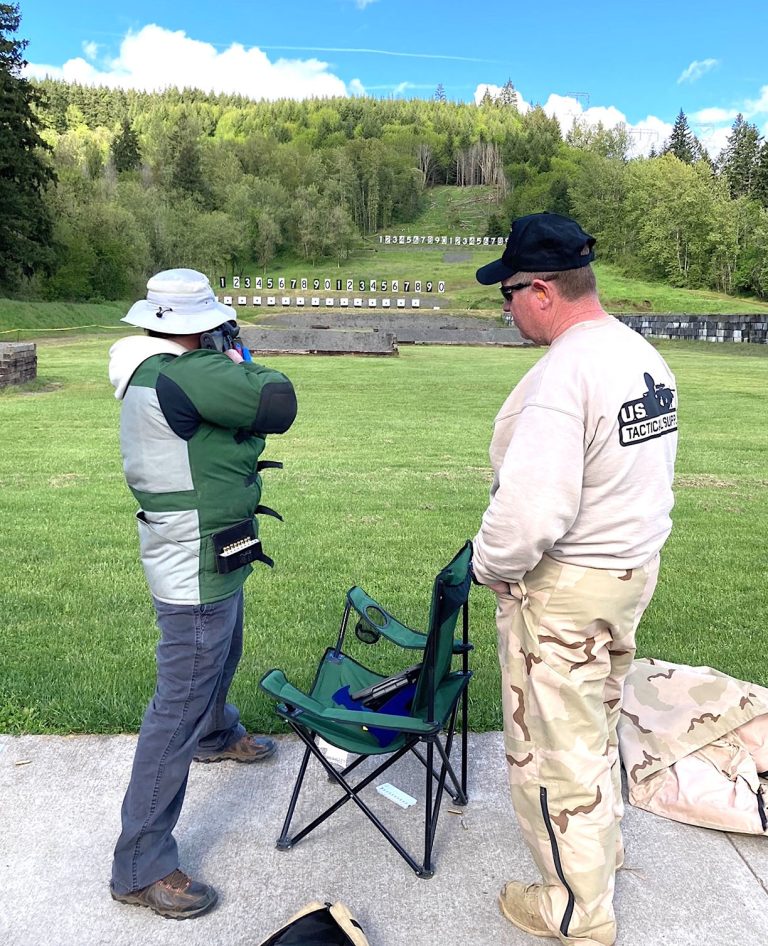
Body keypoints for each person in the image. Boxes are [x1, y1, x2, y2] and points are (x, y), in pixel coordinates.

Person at [471, 214, 678, 946]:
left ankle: (576, 912)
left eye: (508, 294)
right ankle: (602, 855)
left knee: (553, 757)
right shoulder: (642, 356)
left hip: (566, 591)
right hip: (628, 574)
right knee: (592, 731)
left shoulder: (565, 373)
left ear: (541, 290)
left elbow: (530, 514)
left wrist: (486, 567)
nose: (507, 309)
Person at [107, 269, 297, 919]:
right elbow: (278, 401)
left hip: (204, 549)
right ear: (196, 325)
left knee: (224, 651)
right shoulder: (184, 371)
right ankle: (141, 864)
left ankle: (216, 734)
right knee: (177, 705)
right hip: (194, 562)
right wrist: (238, 358)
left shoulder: (152, 371)